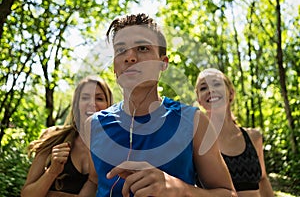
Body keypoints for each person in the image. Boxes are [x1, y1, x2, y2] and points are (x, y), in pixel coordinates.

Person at [85, 13, 237, 197]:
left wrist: (178, 188)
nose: (130, 57)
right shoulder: (93, 125)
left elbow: (229, 194)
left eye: (142, 48)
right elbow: (94, 182)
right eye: (121, 50)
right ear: (114, 67)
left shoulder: (194, 122)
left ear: (163, 63)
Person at [21, 76, 113, 197]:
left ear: (109, 105)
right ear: (76, 105)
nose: (92, 103)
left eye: (99, 98)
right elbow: (27, 194)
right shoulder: (53, 137)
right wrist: (52, 171)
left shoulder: (116, 148)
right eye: (85, 98)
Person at [195, 68, 274, 197]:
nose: (210, 90)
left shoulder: (254, 137)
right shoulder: (196, 142)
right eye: (203, 88)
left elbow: (263, 179)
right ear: (199, 101)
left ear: (231, 93)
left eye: (216, 84)